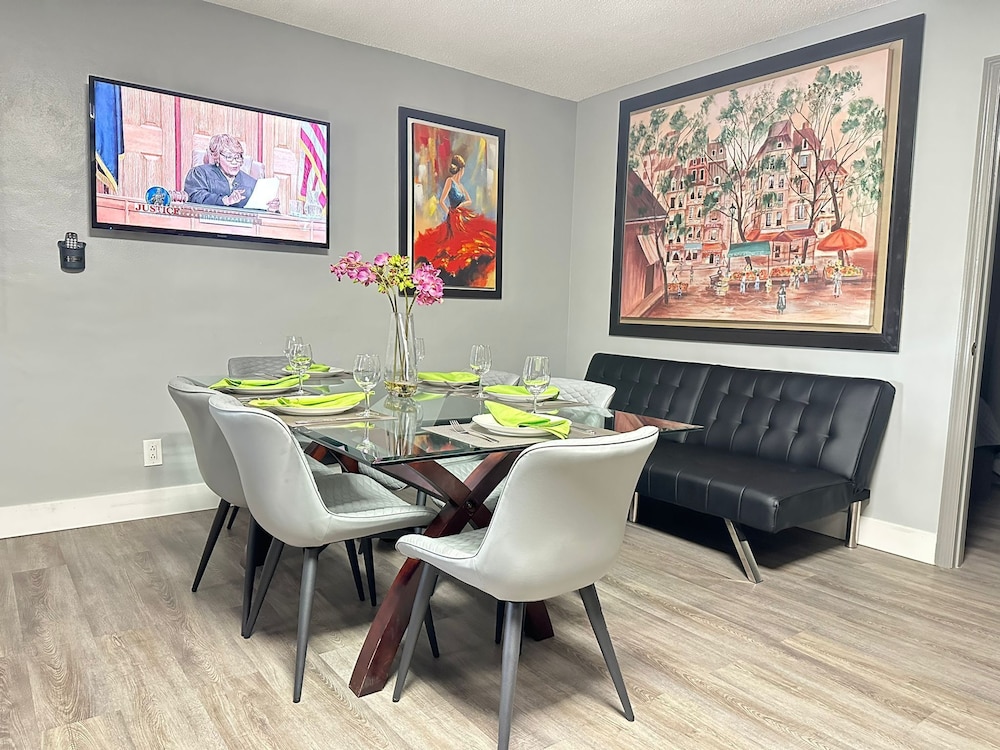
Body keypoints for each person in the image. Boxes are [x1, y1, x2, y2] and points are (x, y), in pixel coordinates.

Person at [413, 154, 497, 287]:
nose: (463, 172)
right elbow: (442, 201)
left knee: (478, 234)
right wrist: (450, 213)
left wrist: (461, 205)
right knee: (452, 244)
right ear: (460, 169)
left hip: (461, 214)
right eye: (463, 169)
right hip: (453, 216)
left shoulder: (460, 185)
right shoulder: (450, 181)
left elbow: (469, 200)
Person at [183, 134, 278, 211]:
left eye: (238, 157)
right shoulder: (200, 174)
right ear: (216, 157)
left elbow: (259, 211)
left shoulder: (251, 183)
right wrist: (225, 200)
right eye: (229, 157)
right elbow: (195, 196)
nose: (235, 162)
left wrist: (270, 208)